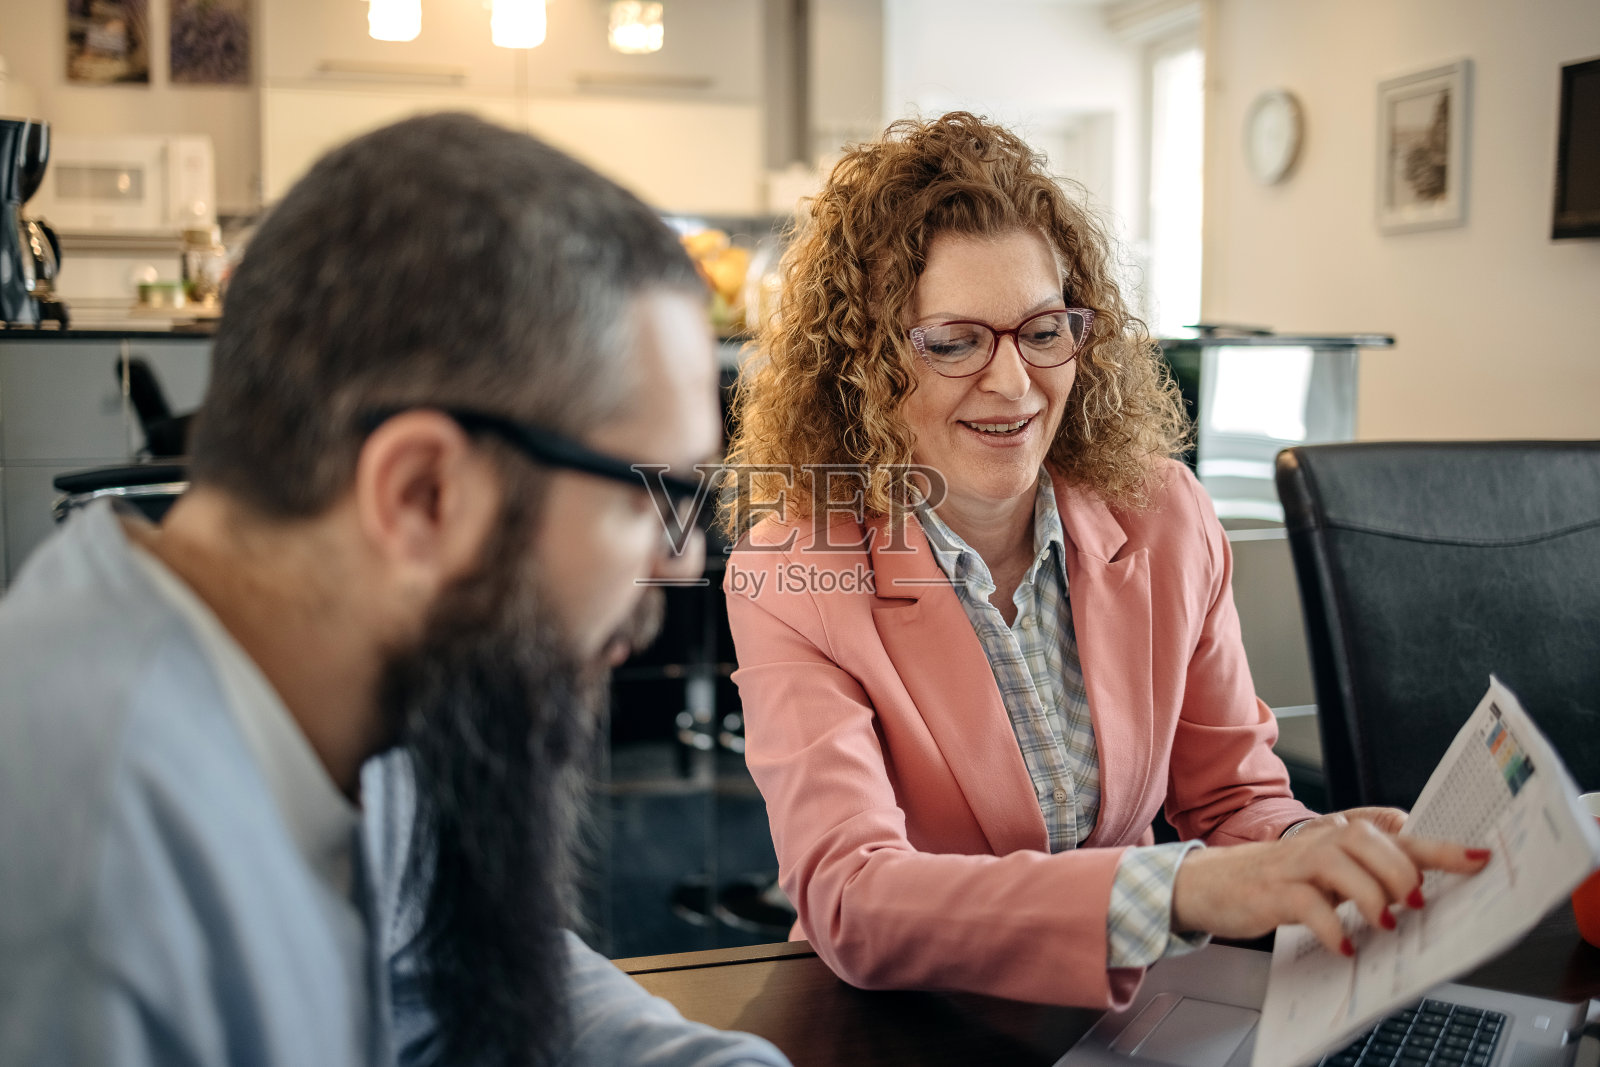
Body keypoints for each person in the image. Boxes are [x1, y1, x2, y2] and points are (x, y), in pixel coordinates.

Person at [0, 113, 788, 1067]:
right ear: (423, 495)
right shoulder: (93, 895)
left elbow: (437, 966)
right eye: (650, 494)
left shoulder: (351, 679)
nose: (683, 562)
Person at [720, 112, 1489, 1009]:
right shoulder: (792, 574)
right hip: (904, 1020)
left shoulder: (1165, 514)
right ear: (864, 361)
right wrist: (1177, 889)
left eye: (1044, 331)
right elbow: (851, 895)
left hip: (1123, 1008)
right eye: (955, 340)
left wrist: (1305, 850)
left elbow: (1232, 800)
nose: (1013, 384)